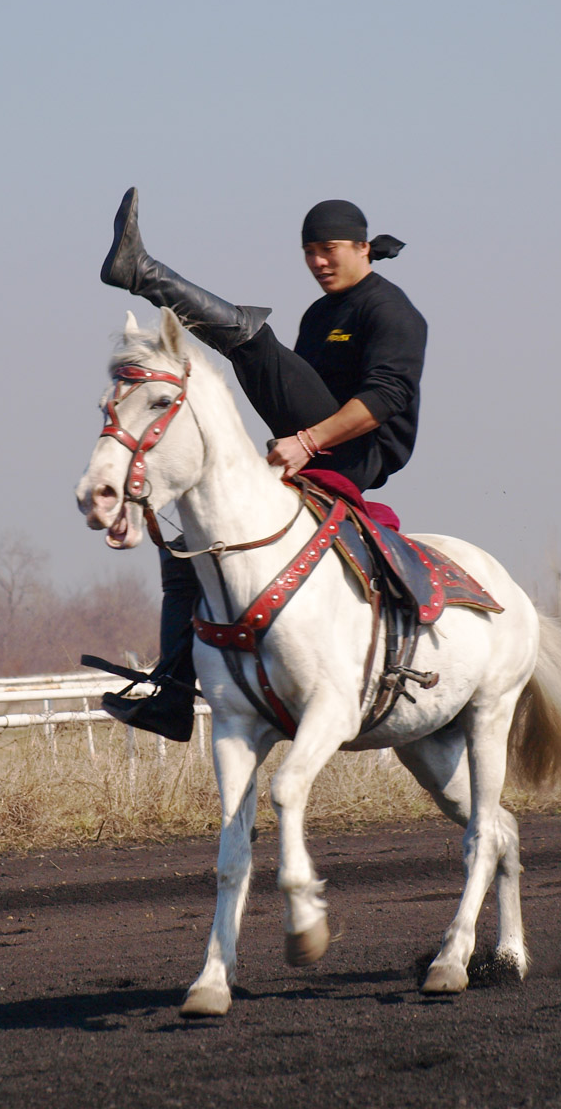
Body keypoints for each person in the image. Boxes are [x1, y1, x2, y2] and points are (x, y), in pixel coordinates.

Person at [97, 188, 427, 741]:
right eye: (309, 252)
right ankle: (171, 696)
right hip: (308, 443)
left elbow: (386, 399)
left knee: (253, 344)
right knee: (192, 547)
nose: (318, 262)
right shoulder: (320, 314)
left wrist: (307, 441)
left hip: (358, 450)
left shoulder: (390, 310)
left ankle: (142, 272)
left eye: (329, 250)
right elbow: (295, 396)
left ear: (363, 248)